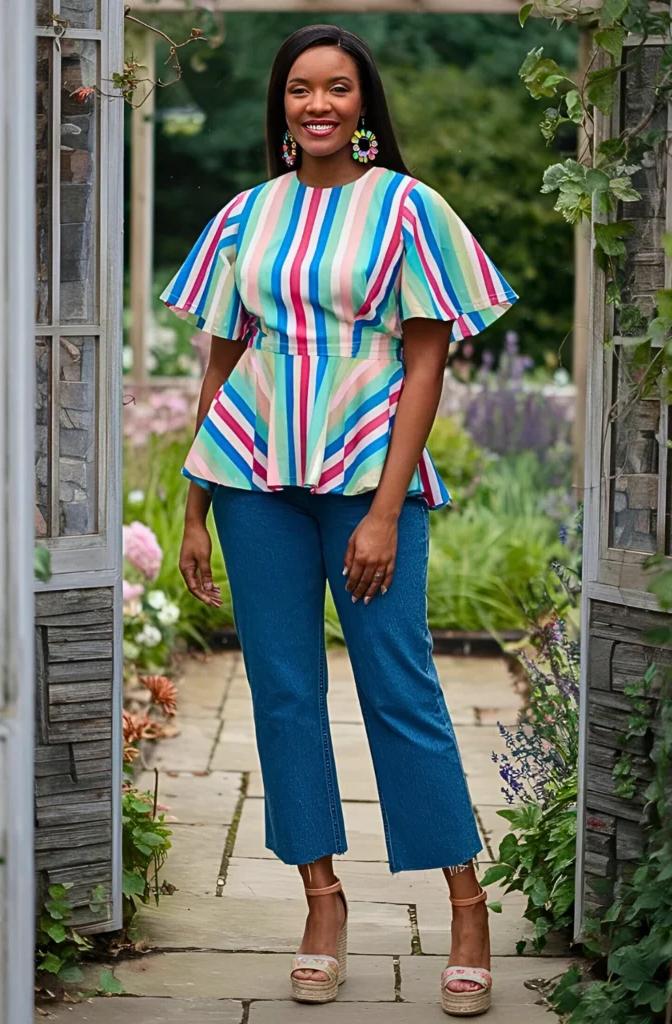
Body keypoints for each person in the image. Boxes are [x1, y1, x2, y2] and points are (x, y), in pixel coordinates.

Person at [160, 24, 518, 1017]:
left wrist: (384, 507)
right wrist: (191, 505)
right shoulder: (244, 217)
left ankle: (463, 903)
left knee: (398, 686)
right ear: (281, 105)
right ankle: (320, 900)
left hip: (366, 478)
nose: (317, 103)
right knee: (280, 694)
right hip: (250, 479)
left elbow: (425, 358)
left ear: (362, 105)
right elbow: (221, 359)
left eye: (337, 89)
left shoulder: (407, 208)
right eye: (300, 89)